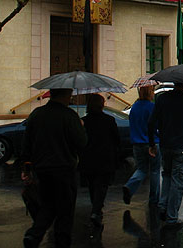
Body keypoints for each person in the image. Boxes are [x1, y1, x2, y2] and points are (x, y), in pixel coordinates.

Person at [21, 89, 87, 248]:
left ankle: (34, 234)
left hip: (42, 169)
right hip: (64, 169)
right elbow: (82, 143)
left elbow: (27, 142)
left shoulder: (37, 114)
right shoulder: (69, 116)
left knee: (48, 204)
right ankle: (61, 241)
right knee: (65, 209)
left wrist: (27, 166)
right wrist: (80, 126)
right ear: (65, 95)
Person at [148, 82, 183, 227]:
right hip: (181, 146)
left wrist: (152, 144)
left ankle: (163, 206)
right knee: (178, 181)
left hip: (165, 145)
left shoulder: (162, 99)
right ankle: (172, 217)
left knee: (167, 175)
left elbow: (151, 122)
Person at [80, 93, 120, 229]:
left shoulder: (84, 121)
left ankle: (96, 209)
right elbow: (116, 139)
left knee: (92, 185)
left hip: (89, 158)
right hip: (105, 157)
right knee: (102, 186)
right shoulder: (109, 120)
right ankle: (96, 211)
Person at [124, 84, 160, 206]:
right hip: (152, 142)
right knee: (155, 171)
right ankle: (154, 199)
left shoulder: (134, 107)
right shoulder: (152, 107)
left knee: (141, 169)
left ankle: (130, 186)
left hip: (136, 142)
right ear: (150, 93)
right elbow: (156, 125)